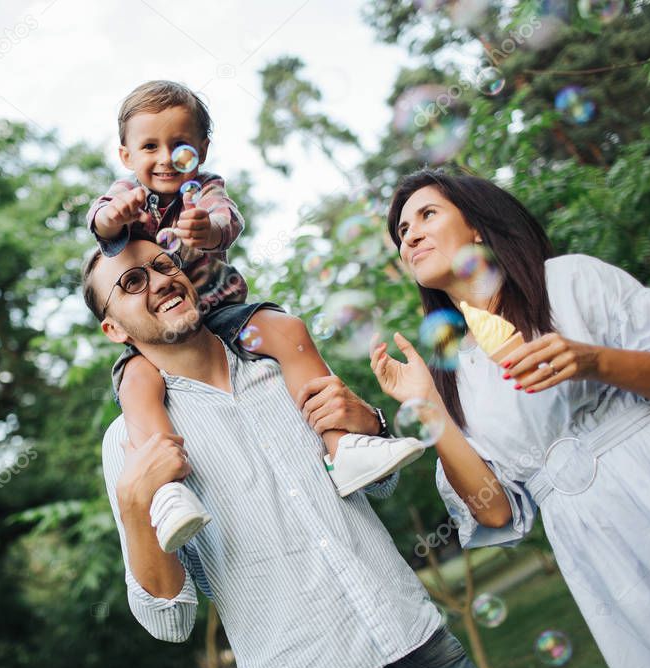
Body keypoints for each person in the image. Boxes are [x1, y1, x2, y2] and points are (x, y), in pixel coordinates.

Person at [82, 234, 483, 668]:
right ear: (114, 329)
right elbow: (168, 623)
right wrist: (137, 508)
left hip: (419, 642)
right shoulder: (130, 443)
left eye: (163, 265)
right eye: (133, 282)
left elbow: (381, 484)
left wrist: (370, 423)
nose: (158, 281)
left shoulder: (284, 364)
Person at [370, 168, 650, 668]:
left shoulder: (567, 280)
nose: (411, 237)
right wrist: (428, 405)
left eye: (427, 215)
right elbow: (494, 514)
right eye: (402, 232)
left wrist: (595, 361)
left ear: (475, 227)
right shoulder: (455, 374)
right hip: (594, 547)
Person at [88, 80, 423, 552]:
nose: (164, 158)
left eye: (179, 145)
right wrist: (110, 218)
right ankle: (168, 494)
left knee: (286, 328)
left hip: (221, 311)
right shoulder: (122, 194)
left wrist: (208, 230)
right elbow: (100, 221)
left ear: (202, 149)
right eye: (149, 146)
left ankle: (342, 446)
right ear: (126, 156)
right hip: (161, 334)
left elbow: (229, 222)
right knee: (137, 383)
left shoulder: (203, 189)